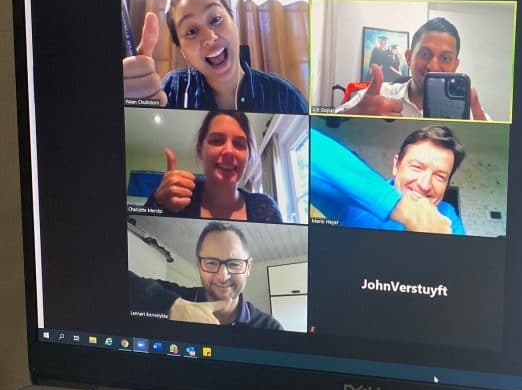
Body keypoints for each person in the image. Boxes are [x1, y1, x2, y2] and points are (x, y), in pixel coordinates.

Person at [123, 0, 307, 112]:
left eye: (216, 19)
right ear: (183, 52)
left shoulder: (285, 96)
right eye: (191, 31)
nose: (209, 38)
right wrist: (133, 109)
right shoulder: (173, 89)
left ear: (234, 22)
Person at [311, 125, 466, 234]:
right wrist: (403, 208)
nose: (424, 185)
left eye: (439, 177)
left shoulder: (447, 215)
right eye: (417, 167)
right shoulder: (354, 197)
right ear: (396, 165)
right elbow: (304, 145)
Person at [129, 221, 283, 329]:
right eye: (211, 263)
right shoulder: (177, 298)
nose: (223, 276)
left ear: (248, 267)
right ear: (199, 266)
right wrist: (171, 305)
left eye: (234, 264)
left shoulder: (271, 328)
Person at [145, 110, 282, 222]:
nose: (229, 151)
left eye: (239, 144)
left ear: (248, 155)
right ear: (200, 150)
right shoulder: (175, 197)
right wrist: (158, 203)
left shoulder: (266, 209)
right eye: (217, 140)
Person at [336, 17, 487, 119]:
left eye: (445, 58)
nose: (433, 66)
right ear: (408, 58)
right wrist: (356, 114)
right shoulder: (378, 96)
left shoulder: (469, 112)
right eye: (425, 54)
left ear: (455, 65)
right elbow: (323, 128)